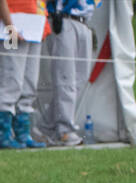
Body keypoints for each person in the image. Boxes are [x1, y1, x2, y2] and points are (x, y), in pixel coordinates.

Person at [39, 0, 99, 147]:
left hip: (83, 22)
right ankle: (64, 131)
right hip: (64, 20)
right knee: (65, 78)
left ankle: (46, 127)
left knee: (80, 79)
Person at [0, 0, 50, 150]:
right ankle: (4, 135)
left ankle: (23, 134)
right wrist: (10, 27)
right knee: (10, 79)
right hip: (11, 29)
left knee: (30, 81)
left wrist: (43, 28)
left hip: (35, 29)